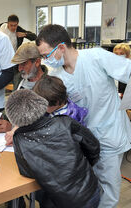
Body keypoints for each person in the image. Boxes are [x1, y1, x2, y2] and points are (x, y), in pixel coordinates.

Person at [36, 24, 131, 208]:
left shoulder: (96, 57)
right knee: (89, 189)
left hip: (109, 136)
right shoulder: (58, 76)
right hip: (84, 142)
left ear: (61, 47)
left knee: (109, 192)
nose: (45, 60)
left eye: (46, 55)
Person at [5, 89, 100, 208]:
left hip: (58, 200)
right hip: (89, 191)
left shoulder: (19, 140)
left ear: (13, 117)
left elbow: (27, 172)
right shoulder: (64, 122)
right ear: (40, 103)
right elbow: (93, 146)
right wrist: (83, 165)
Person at [5, 75, 88, 146]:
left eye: (44, 105)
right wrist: (14, 130)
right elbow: (30, 115)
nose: (39, 107)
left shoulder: (70, 120)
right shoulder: (51, 107)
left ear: (56, 102)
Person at [0, 42, 47, 133]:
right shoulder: (19, 79)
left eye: (23, 64)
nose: (19, 69)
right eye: (18, 64)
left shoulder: (48, 86)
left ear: (37, 62)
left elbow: (43, 124)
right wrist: (3, 116)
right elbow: (15, 106)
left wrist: (13, 127)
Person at [0, 14, 37, 90]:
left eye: (15, 25)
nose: (13, 27)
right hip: (0, 58)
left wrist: (24, 34)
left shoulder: (18, 30)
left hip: (13, 59)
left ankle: (15, 92)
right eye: (11, 25)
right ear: (7, 23)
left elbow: (34, 36)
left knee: (15, 78)